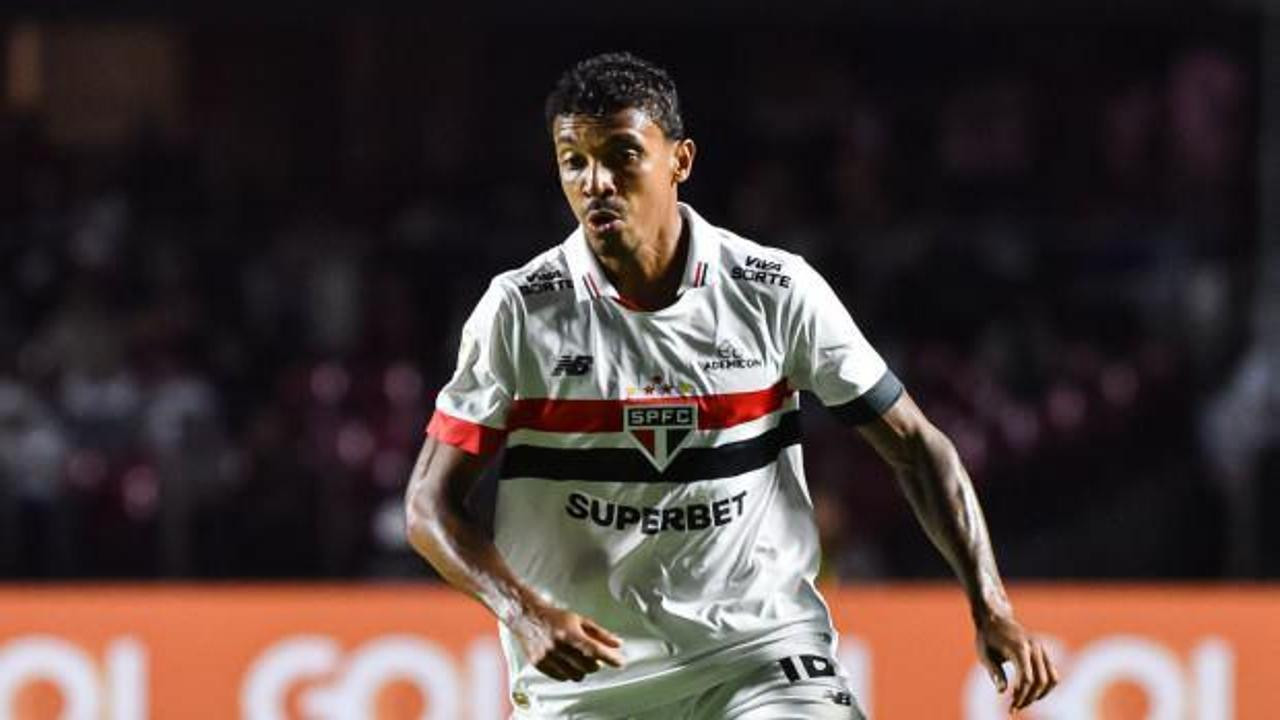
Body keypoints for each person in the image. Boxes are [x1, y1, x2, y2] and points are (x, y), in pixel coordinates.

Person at [405, 52, 1057, 719]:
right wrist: (523, 612)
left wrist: (991, 606)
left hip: (760, 656)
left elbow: (917, 446)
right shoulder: (521, 312)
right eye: (574, 162)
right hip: (588, 682)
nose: (596, 182)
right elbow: (430, 505)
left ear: (679, 161)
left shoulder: (774, 291)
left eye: (623, 155)